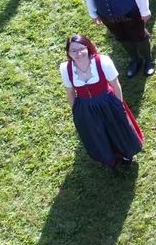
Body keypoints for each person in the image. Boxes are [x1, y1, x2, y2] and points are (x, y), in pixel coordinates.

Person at [60, 34, 144, 170]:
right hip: (85, 107)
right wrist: (76, 111)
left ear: (88, 48)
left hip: (107, 101)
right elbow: (70, 92)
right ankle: (109, 159)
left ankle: (125, 154)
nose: (78, 53)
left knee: (117, 128)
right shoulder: (65, 68)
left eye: (81, 49)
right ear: (68, 53)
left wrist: (119, 104)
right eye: (73, 51)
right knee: (97, 134)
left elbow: (116, 85)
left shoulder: (102, 61)